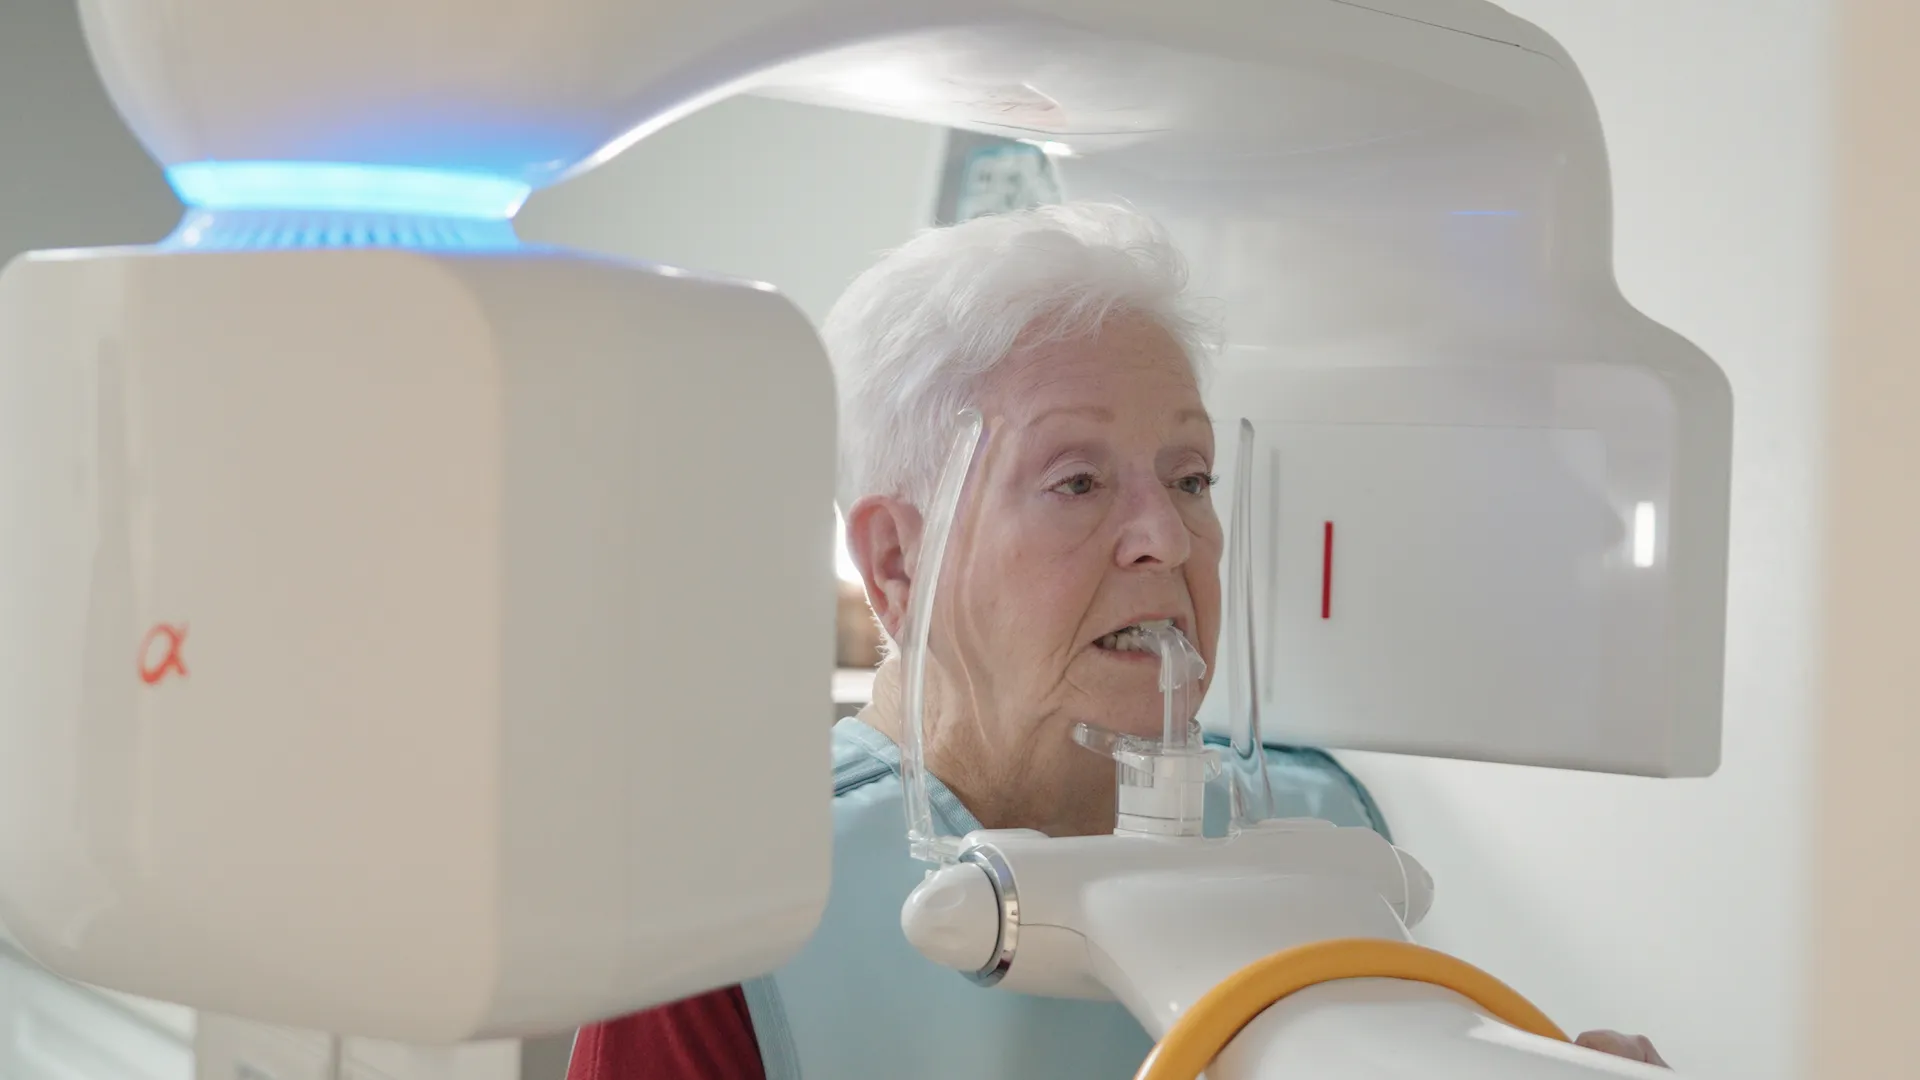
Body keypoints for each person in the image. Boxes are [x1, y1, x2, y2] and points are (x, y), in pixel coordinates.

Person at [567, 203, 1667, 1079]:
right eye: (1078, 481)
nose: (1167, 538)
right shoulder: (732, 907)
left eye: (1191, 479)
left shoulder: (1320, 829)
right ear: (898, 562)